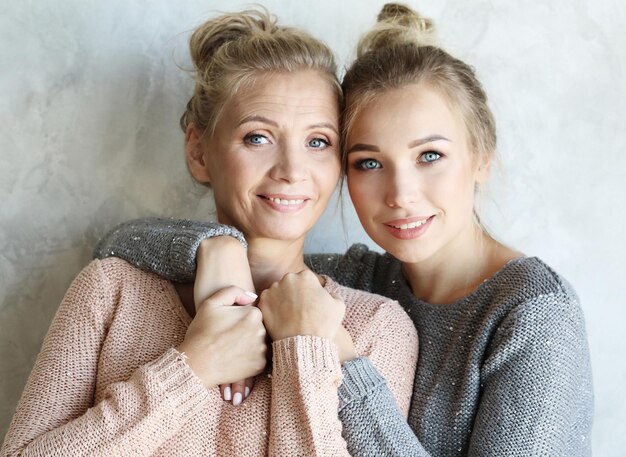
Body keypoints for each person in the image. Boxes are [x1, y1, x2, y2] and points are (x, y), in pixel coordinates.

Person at [88, 3, 594, 456]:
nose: (401, 193)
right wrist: (214, 249)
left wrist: (343, 357)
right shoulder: (365, 278)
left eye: (431, 156)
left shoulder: (533, 314)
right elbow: (116, 244)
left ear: (482, 156)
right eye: (369, 162)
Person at [0, 8, 418, 457]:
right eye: (258, 137)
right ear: (199, 152)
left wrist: (306, 352)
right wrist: (192, 369)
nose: (292, 171)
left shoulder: (374, 329)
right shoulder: (112, 291)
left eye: (318, 142)